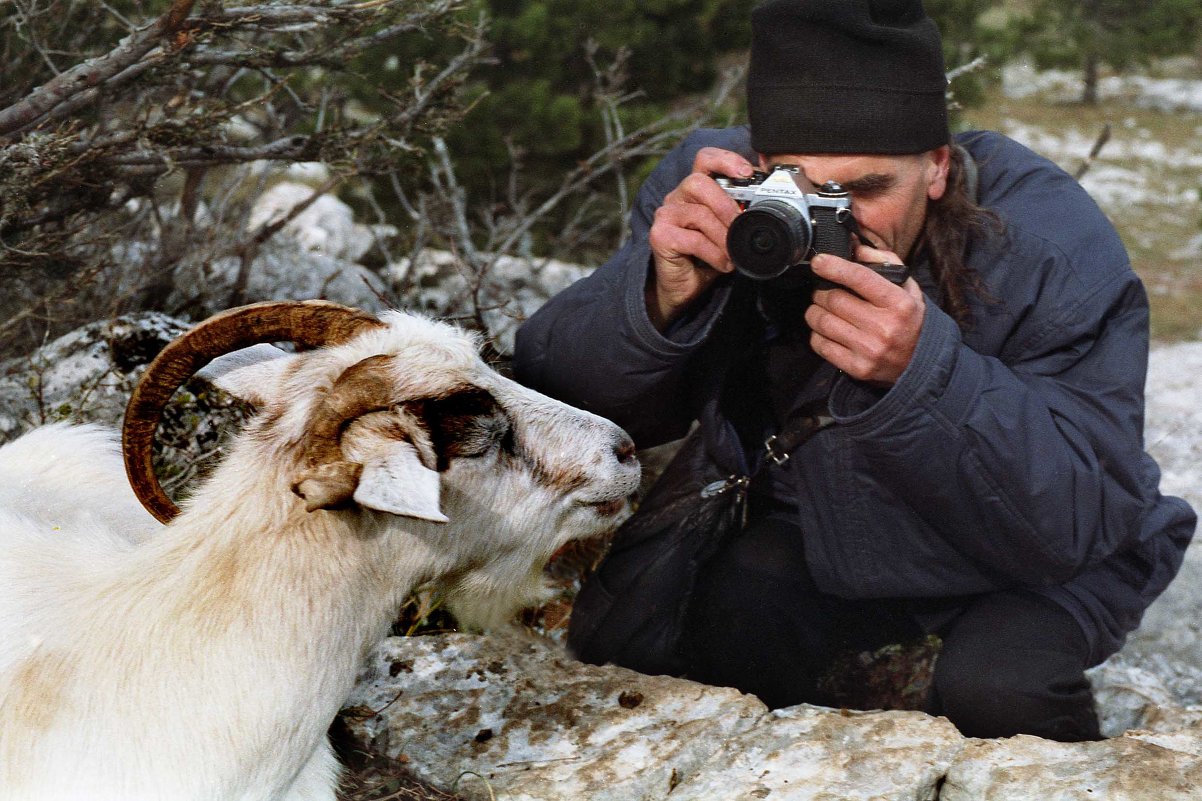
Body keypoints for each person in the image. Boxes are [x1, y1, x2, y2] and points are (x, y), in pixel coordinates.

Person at [512, 0, 1196, 742]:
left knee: (999, 688)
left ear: (937, 166)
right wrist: (659, 293)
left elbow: (1078, 517)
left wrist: (925, 372)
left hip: (1035, 549)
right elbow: (558, 400)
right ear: (756, 162)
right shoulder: (716, 198)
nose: (830, 218)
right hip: (834, 522)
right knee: (712, 628)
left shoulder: (1052, 247)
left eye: (863, 191)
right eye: (799, 188)